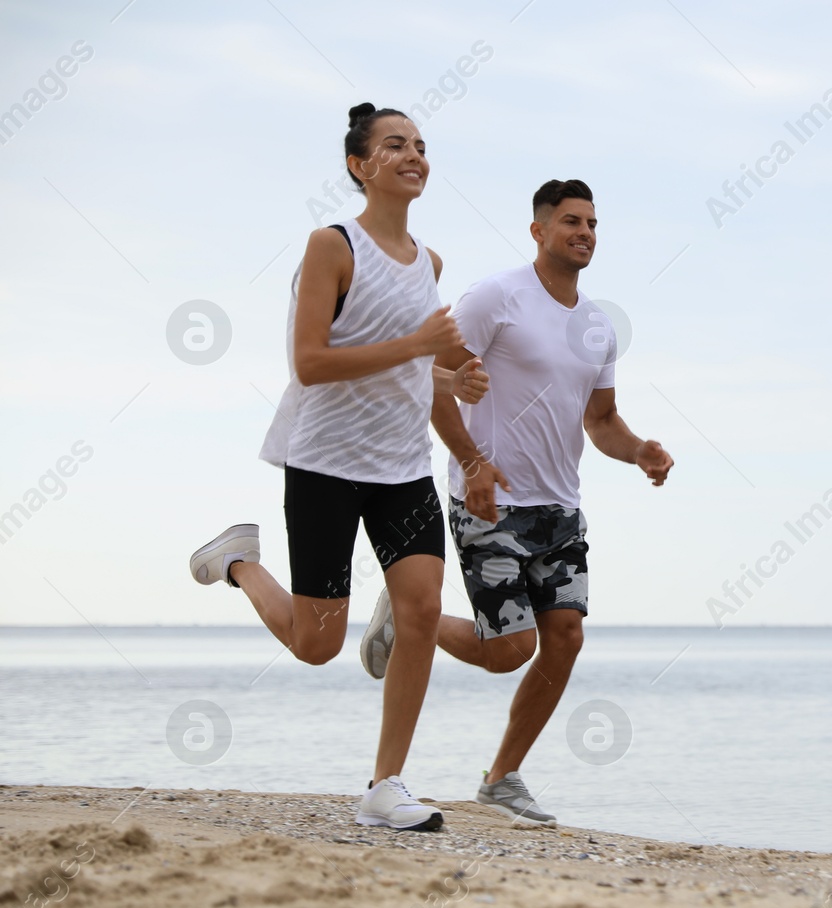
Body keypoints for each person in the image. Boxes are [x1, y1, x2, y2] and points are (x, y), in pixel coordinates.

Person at [188, 104, 486, 831]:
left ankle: (387, 785)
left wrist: (456, 401)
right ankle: (235, 561)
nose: (413, 155)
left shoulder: (431, 263)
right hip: (323, 462)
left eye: (420, 145)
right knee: (318, 644)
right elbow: (312, 363)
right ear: (360, 165)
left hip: (402, 467)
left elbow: (410, 371)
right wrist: (420, 345)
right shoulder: (332, 246)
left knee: (418, 608)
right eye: (395, 145)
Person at [359, 179, 673, 826]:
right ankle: (404, 619)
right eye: (570, 221)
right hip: (490, 498)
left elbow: (602, 418)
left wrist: (639, 448)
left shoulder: (597, 327)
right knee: (509, 650)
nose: (584, 232)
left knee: (565, 639)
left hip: (560, 508)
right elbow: (429, 376)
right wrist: (472, 462)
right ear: (538, 230)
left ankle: (501, 777)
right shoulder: (496, 297)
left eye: (591, 222)